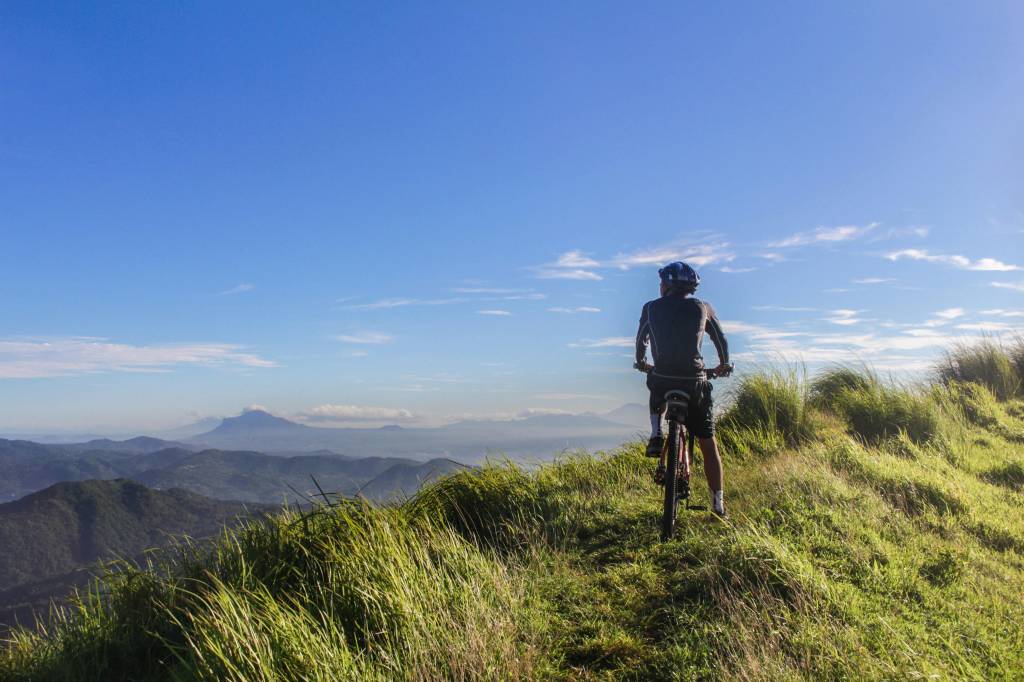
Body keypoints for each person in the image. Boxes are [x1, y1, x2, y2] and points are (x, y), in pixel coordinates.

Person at [634, 261, 732, 517]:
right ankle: (718, 507)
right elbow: (720, 340)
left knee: (654, 382)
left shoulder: (651, 308)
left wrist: (642, 362)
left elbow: (640, 340)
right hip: (695, 382)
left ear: (666, 285)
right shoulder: (703, 308)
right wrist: (723, 365)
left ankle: (656, 433)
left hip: (663, 378)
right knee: (708, 443)